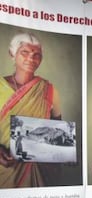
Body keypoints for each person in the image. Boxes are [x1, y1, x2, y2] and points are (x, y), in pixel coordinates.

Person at [0, 32, 62, 188]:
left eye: (37, 55)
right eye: (25, 53)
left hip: (38, 169)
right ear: (12, 54)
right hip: (4, 168)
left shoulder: (49, 90)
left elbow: (58, 129)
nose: (31, 58)